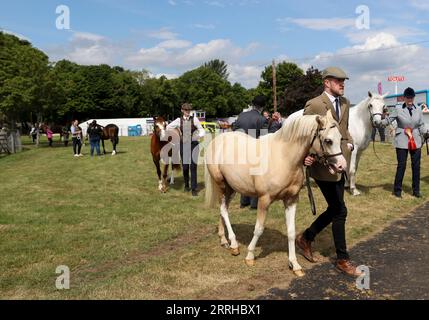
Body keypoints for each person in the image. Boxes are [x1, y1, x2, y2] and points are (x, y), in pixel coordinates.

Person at [296, 66, 362, 277]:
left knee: (336, 209)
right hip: (323, 166)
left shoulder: (345, 103)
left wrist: (350, 143)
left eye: (344, 80)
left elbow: (344, 130)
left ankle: (306, 237)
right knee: (340, 211)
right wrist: (304, 156)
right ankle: (342, 259)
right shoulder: (314, 104)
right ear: (326, 82)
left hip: (340, 160)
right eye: (338, 80)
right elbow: (303, 135)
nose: (342, 83)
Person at [386, 87, 429, 198]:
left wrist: (426, 132)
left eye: (411, 97)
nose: (410, 99)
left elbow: (421, 124)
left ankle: (416, 190)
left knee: (416, 166)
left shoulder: (418, 109)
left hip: (416, 140)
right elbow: (389, 119)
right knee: (401, 166)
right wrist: (379, 122)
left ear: (413, 97)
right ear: (404, 98)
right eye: (408, 97)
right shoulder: (398, 108)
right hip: (402, 140)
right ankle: (397, 191)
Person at [233, 95, 269, 209]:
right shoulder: (262, 119)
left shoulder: (241, 115)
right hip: (254, 150)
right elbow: (264, 138)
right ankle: (254, 203)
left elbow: (234, 129)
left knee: (244, 176)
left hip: (240, 149)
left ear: (253, 104)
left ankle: (244, 201)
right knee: (256, 178)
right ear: (262, 107)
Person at [166, 103, 205, 197]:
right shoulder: (178, 120)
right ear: (182, 110)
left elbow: (202, 130)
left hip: (194, 145)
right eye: (186, 110)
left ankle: (194, 188)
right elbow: (168, 127)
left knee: (193, 166)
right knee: (185, 167)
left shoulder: (194, 119)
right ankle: (187, 185)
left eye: (189, 110)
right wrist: (177, 133)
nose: (188, 112)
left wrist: (197, 136)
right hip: (183, 145)